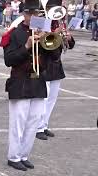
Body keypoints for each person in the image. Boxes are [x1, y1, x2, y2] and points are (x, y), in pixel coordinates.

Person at [0, 0, 47, 171]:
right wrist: (27, 46)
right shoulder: (13, 34)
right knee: (18, 123)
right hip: (20, 82)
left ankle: (24, 155)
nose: (35, 17)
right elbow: (9, 60)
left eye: (37, 14)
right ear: (24, 14)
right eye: (31, 14)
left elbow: (53, 57)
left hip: (38, 82)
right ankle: (14, 157)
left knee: (33, 122)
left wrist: (51, 41)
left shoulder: (44, 31)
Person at [36, 0, 75, 140]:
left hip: (56, 65)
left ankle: (44, 125)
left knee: (52, 99)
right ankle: (38, 127)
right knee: (43, 99)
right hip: (44, 64)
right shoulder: (40, 20)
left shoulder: (60, 22)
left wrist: (68, 38)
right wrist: (54, 34)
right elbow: (43, 45)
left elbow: (69, 46)